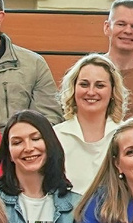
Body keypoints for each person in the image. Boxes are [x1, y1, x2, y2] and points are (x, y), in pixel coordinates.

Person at [54, 53, 128, 187]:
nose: (91, 92)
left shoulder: (126, 135)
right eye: (84, 84)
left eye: (100, 85)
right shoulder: (55, 136)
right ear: (73, 88)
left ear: (112, 91)